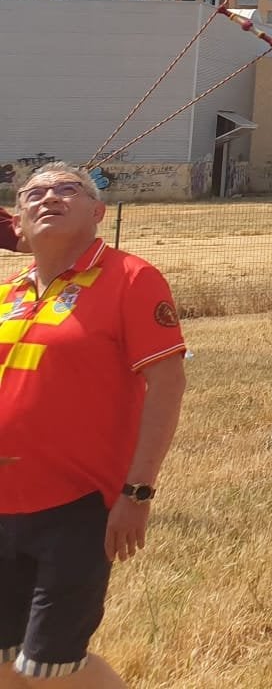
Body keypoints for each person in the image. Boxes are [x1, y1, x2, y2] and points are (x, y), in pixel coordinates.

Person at [0, 164, 186, 688]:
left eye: (68, 190)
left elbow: (167, 385)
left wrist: (138, 492)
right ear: (16, 223)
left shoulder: (130, 277)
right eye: (34, 193)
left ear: (98, 212)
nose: (50, 198)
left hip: (76, 506)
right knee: (4, 665)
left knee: (51, 668)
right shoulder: (10, 293)